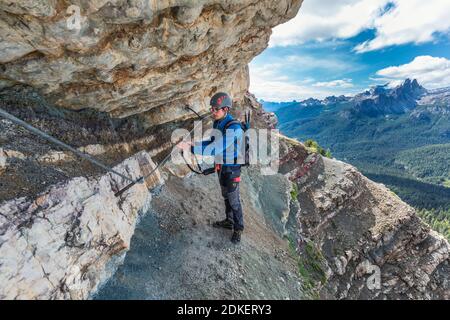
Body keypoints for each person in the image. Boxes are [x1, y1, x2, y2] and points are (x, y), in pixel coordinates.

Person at [177, 92, 244, 244]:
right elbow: (211, 142)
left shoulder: (235, 128)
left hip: (232, 169)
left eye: (216, 109)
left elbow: (216, 149)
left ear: (225, 109)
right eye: (212, 108)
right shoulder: (218, 123)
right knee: (226, 195)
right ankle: (229, 221)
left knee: (233, 200)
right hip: (221, 167)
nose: (212, 112)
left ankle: (238, 228)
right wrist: (194, 144)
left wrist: (191, 149)